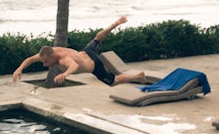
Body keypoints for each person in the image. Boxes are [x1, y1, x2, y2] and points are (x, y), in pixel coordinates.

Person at [12, 15, 145, 86]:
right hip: (87, 52)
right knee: (97, 39)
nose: (44, 64)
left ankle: (138, 76)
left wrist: (65, 74)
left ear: (52, 56)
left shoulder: (64, 59)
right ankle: (114, 24)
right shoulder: (50, 52)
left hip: (94, 65)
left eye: (46, 62)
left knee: (113, 81)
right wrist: (19, 69)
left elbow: (74, 65)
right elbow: (31, 59)